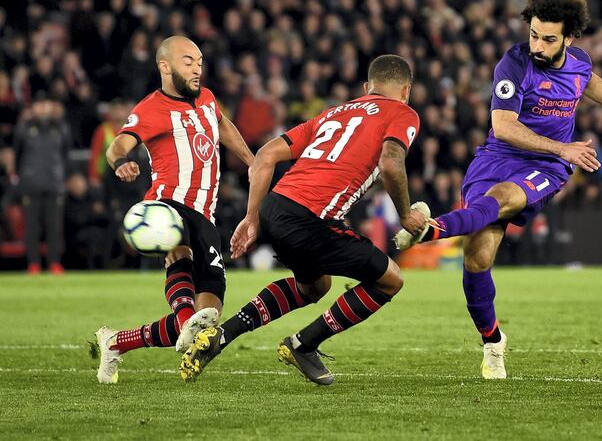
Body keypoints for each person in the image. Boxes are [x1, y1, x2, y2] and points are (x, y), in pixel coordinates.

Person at [394, 0, 602, 379]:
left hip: (546, 166)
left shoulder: (578, 62)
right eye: (534, 34)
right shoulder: (515, 64)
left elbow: (589, 80)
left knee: (500, 200)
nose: (538, 44)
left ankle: (429, 228)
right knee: (477, 258)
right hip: (499, 156)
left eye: (549, 38)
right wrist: (565, 147)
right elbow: (503, 126)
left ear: (569, 38)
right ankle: (493, 341)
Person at [178, 54, 425, 385]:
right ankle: (303, 344)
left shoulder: (334, 113)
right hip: (311, 217)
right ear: (406, 90)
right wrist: (406, 213)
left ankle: (223, 335)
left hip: (276, 207)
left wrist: (252, 217)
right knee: (390, 279)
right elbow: (392, 164)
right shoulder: (403, 113)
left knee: (315, 286)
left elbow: (265, 155)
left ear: (367, 88)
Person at [94, 36, 255, 384]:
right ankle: (185, 322)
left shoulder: (208, 99)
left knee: (208, 316)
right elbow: (119, 144)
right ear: (165, 67)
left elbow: (222, 125)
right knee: (178, 248)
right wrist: (121, 162)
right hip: (169, 203)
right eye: (187, 61)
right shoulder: (152, 107)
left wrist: (251, 161)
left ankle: (116, 343)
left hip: (206, 213)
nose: (197, 67)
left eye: (199, 60)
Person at [13, 94, 72, 275]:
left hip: (54, 184)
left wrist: (61, 176)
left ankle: (54, 263)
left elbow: (66, 154)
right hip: (31, 184)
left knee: (54, 227)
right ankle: (33, 264)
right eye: (38, 104)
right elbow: (18, 154)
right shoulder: (24, 127)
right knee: (32, 227)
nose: (42, 108)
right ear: (33, 108)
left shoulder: (60, 127)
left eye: (45, 103)